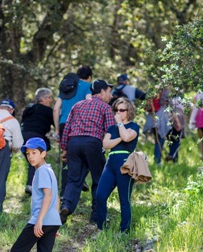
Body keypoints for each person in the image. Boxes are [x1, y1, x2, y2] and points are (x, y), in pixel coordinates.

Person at [59, 79, 115, 224]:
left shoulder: (77, 105)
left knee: (74, 179)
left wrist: (64, 148)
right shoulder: (105, 107)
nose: (111, 95)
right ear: (102, 92)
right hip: (93, 143)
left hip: (74, 143)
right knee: (98, 179)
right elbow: (110, 130)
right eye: (109, 92)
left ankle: (66, 206)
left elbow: (67, 128)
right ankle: (96, 216)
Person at [96, 97, 139, 233]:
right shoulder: (111, 128)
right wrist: (121, 136)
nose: (118, 113)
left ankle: (124, 230)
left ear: (129, 111)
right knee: (100, 196)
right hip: (110, 163)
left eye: (122, 110)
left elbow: (127, 138)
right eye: (116, 110)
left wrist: (120, 126)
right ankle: (101, 228)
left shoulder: (134, 126)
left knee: (124, 199)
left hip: (125, 163)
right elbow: (105, 144)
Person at [11, 138, 61, 252]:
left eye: (34, 153)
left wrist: (39, 220)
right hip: (52, 222)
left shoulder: (41, 171)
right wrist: (55, 223)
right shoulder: (49, 170)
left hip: (41, 220)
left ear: (43, 154)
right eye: (28, 153)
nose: (30, 157)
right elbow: (56, 197)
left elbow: (48, 196)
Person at [53, 67, 93, 196]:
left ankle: (64, 192)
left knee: (66, 158)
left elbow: (56, 109)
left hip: (64, 124)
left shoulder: (67, 85)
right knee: (84, 154)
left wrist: (57, 130)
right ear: (89, 77)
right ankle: (79, 180)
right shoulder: (88, 86)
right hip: (78, 125)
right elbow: (89, 102)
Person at [21, 88, 54, 195]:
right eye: (49, 97)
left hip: (23, 137)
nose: (51, 100)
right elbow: (55, 125)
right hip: (35, 137)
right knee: (36, 162)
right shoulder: (48, 111)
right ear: (42, 99)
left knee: (32, 161)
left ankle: (33, 185)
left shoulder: (29, 108)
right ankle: (32, 186)